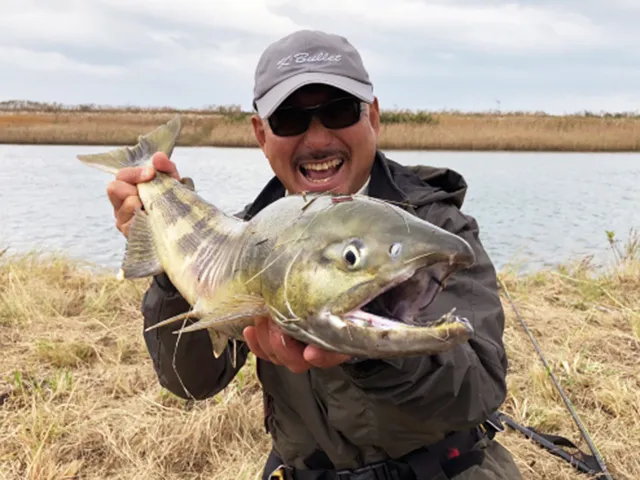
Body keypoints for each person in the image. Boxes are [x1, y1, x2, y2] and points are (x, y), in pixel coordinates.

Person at [106, 30, 523, 480]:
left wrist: (368, 351)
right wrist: (170, 262)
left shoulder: (436, 229)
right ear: (261, 134)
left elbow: (479, 389)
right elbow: (191, 382)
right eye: (290, 120)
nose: (319, 139)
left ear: (373, 117)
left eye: (339, 111)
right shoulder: (250, 238)